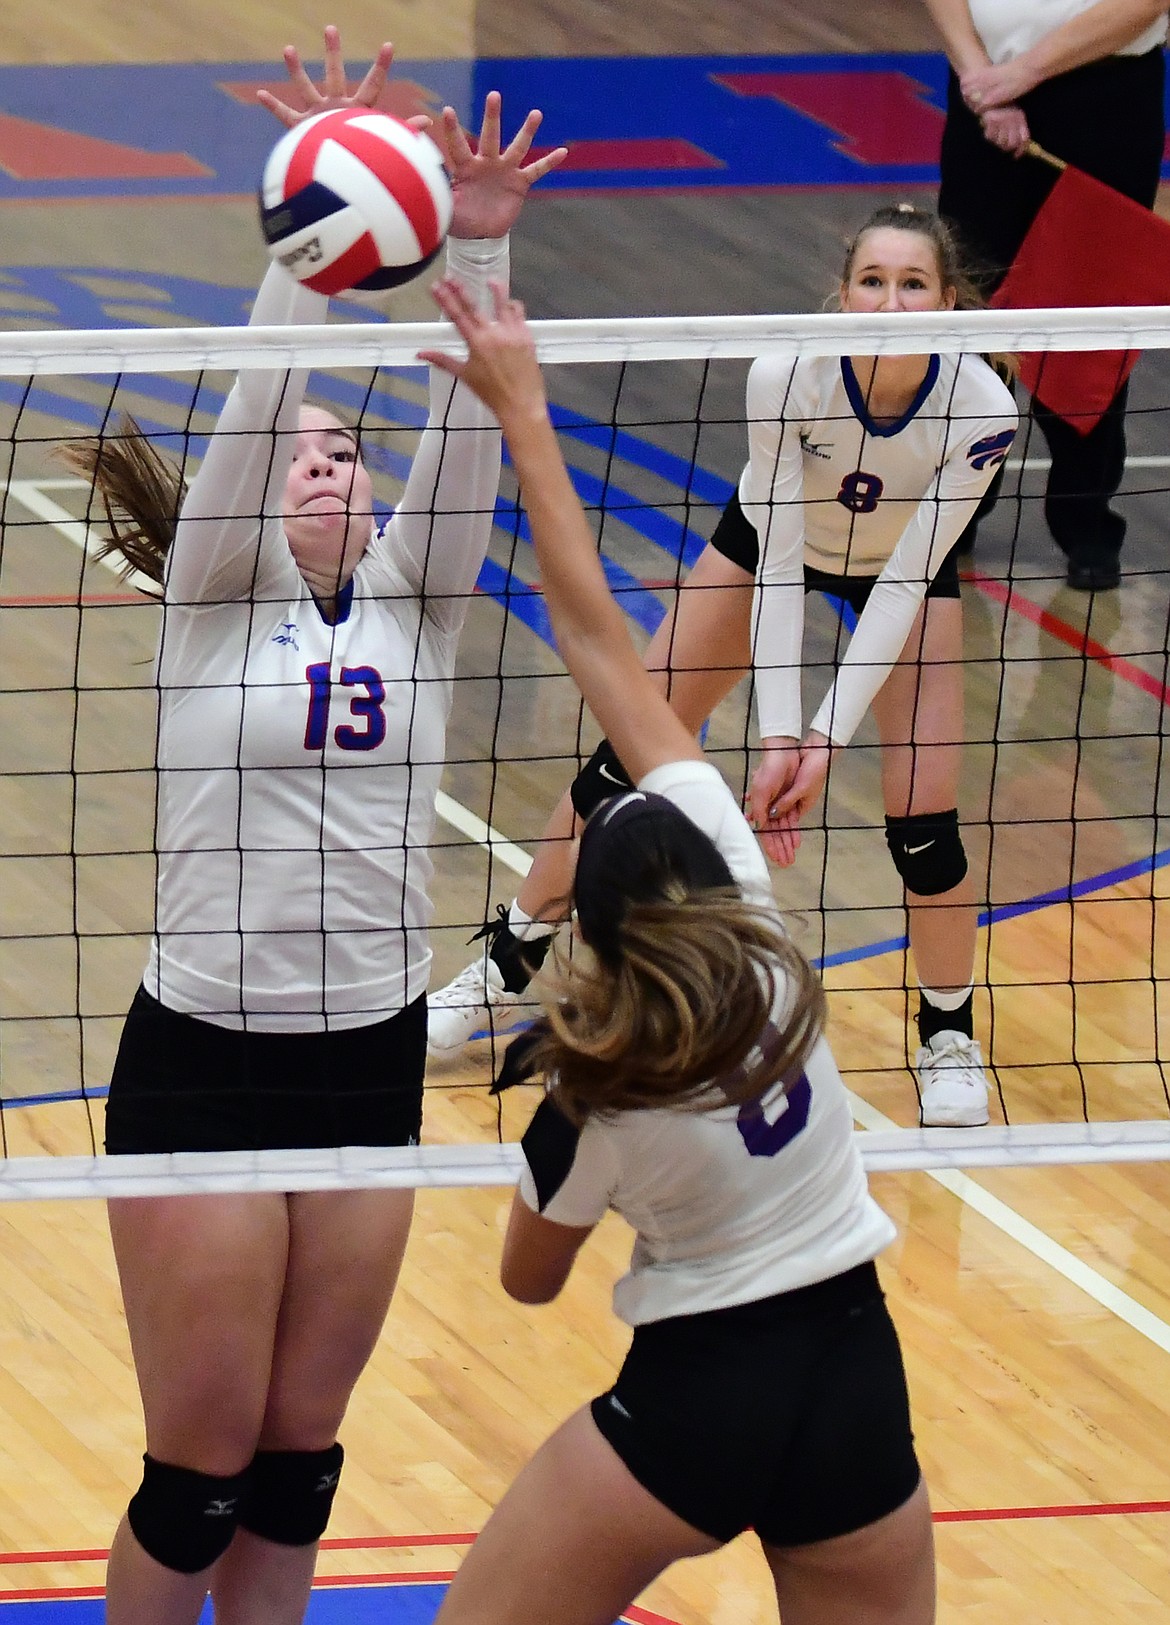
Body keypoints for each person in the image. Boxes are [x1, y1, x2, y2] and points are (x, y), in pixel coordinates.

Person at [67, 29, 564, 1625]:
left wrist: (475, 239)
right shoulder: (215, 602)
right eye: (302, 448)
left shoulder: (416, 609)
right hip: (209, 1051)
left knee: (299, 1462)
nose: (328, 457)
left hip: (367, 1053)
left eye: (347, 445)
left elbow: (473, 438)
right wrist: (307, 255)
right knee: (198, 1469)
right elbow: (260, 400)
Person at [418, 272, 937, 1625]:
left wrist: (517, 413)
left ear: (588, 939)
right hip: (851, 1368)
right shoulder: (761, 929)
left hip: (696, 1393)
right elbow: (603, 636)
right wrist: (527, 406)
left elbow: (526, 1284)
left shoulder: (594, 1086)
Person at [428, 204, 1017, 1131]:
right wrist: (780, 734)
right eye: (873, 281)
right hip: (768, 546)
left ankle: (948, 1034)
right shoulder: (789, 372)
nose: (890, 300)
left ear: (948, 301)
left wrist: (823, 739)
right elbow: (780, 561)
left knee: (926, 829)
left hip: (907, 569)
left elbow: (908, 578)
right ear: (843, 291)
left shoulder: (981, 406)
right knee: (623, 762)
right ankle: (504, 966)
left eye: (913, 284)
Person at [925, 0, 1168, 591]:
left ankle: (1085, 520)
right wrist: (983, 80)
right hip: (981, 90)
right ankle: (955, 514)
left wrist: (1023, 73)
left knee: (1090, 314)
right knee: (971, 309)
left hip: (1104, 101)